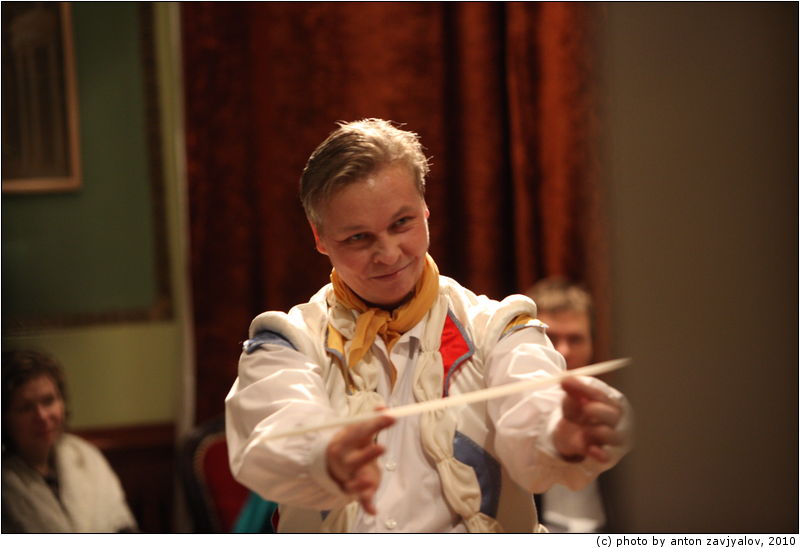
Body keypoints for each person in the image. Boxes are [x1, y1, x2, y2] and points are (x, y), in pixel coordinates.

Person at [225, 118, 632, 533]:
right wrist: (321, 454)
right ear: (319, 238)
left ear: (425, 209)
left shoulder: (499, 328)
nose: (388, 254)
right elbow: (274, 430)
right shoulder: (287, 342)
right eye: (358, 238)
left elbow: (533, 405)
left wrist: (559, 432)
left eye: (402, 223)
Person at [1, 349, 138, 533]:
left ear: (62, 402)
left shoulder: (85, 455)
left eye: (48, 401)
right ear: (5, 418)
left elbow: (122, 525)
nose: (42, 416)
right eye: (26, 408)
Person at [526, 278, 608, 533]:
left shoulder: (618, 414)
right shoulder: (500, 419)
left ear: (593, 345)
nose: (563, 352)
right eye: (550, 337)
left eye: (575, 339)